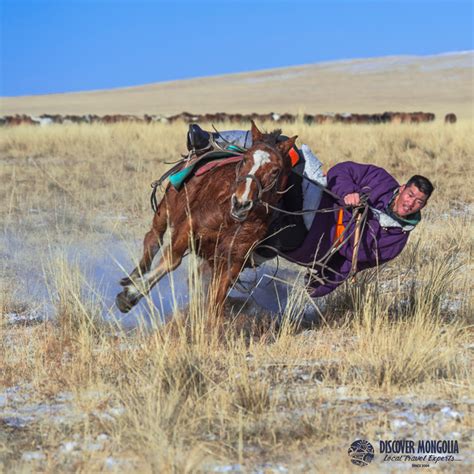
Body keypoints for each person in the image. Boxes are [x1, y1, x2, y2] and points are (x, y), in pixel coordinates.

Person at [185, 124, 434, 297]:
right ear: (402, 188)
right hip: (324, 199)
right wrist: (348, 193)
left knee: (278, 234)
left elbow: (352, 264)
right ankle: (209, 140)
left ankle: (235, 264)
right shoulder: (381, 180)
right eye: (410, 195)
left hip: (317, 241)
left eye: (418, 202)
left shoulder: (394, 241)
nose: (410, 203)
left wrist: (320, 286)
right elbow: (343, 170)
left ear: (422, 207)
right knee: (285, 150)